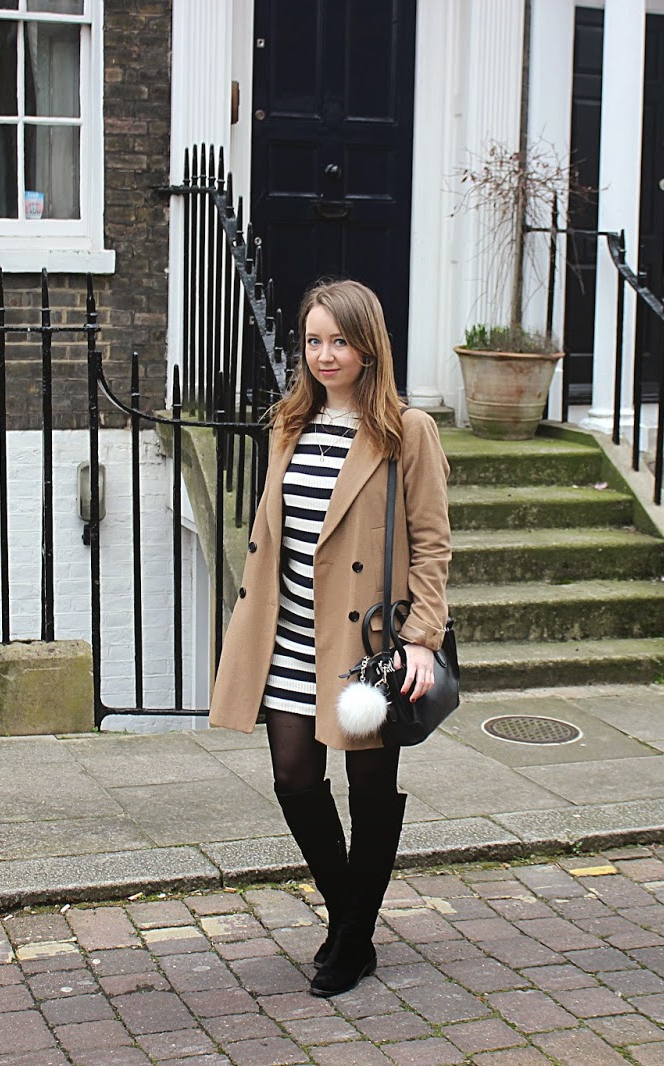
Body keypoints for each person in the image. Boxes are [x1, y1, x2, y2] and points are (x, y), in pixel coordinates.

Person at [209, 279, 452, 998]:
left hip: (366, 645)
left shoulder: (407, 431)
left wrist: (420, 638)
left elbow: (432, 545)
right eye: (314, 341)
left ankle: (350, 938)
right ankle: (354, 918)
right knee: (293, 777)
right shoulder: (289, 423)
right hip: (287, 634)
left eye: (339, 341)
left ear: (367, 344)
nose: (325, 355)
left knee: (370, 784)